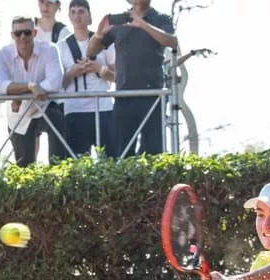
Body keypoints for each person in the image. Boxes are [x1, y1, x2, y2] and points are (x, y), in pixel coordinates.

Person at [87, 0, 176, 157]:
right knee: (122, 154)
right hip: (124, 96)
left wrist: (143, 25)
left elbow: (172, 42)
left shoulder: (161, 18)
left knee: (154, 154)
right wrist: (99, 33)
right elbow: (91, 52)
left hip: (152, 96)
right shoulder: (120, 20)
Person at [0, 16, 63, 167]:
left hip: (44, 106)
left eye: (27, 32)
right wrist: (31, 87)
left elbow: (55, 81)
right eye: (18, 33)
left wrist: (17, 93)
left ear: (35, 33)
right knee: (24, 165)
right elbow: (2, 86)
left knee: (57, 121)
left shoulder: (50, 49)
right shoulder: (3, 54)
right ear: (12, 35)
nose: (22, 37)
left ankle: (58, 176)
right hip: (19, 113)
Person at [57, 0, 114, 158]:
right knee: (77, 161)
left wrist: (99, 69)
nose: (77, 16)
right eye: (73, 12)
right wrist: (73, 72)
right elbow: (57, 84)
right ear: (68, 16)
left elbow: (118, 77)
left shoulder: (105, 43)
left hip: (103, 107)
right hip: (75, 109)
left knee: (111, 159)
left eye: (81, 12)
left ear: (89, 16)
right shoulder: (61, 47)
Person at [34, 0, 69, 161]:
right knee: (28, 147)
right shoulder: (29, 28)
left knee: (57, 147)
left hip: (55, 97)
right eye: (42, 1)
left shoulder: (63, 32)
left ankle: (55, 177)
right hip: (31, 94)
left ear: (58, 5)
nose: (45, 6)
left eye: (50, 2)